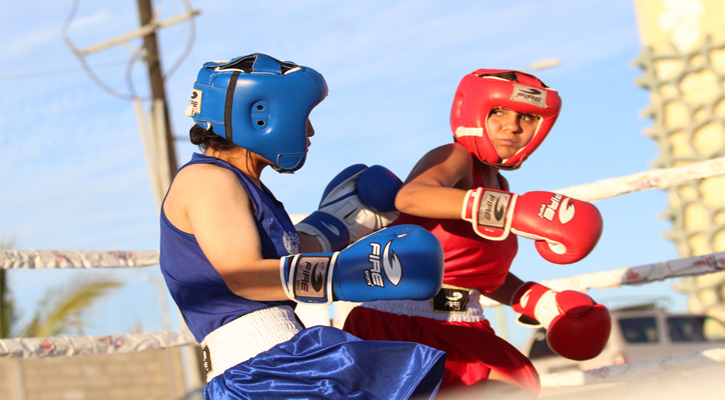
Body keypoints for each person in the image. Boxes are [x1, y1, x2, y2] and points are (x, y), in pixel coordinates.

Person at [159, 53, 447, 400]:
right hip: (262, 373)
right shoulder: (207, 179)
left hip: (284, 361)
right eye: (303, 117)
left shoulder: (239, 184)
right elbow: (245, 275)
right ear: (260, 114)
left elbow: (286, 253)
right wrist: (347, 274)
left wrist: (339, 223)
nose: (309, 130)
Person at [343, 69, 612, 395]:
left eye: (526, 117)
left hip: (465, 321)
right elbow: (411, 196)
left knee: (515, 385)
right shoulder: (455, 157)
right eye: (499, 111)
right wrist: (508, 209)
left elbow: (473, 271)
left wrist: (534, 300)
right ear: (473, 112)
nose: (512, 125)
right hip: (404, 323)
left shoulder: (499, 183)